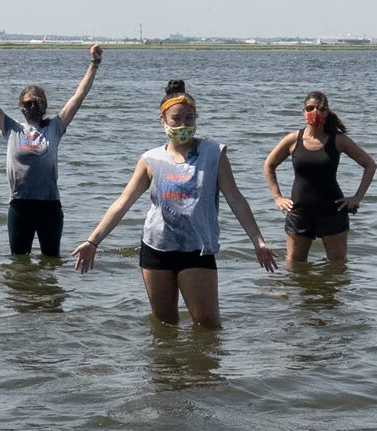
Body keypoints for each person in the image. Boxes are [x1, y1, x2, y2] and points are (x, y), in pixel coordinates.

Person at [70, 77, 277, 326]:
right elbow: (123, 203)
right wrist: (93, 241)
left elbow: (236, 199)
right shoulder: (151, 159)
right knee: (164, 326)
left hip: (196, 249)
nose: (183, 125)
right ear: (163, 120)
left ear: (196, 119)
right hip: (156, 248)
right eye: (176, 119)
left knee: (208, 326)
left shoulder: (213, 153)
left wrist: (258, 241)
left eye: (189, 118)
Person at [0, 41, 103, 257]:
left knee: (51, 261)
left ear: (44, 106)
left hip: (49, 206)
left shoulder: (55, 128)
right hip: (20, 206)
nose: (31, 107)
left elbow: (78, 96)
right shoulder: (11, 128)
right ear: (20, 106)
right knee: (19, 264)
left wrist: (94, 63)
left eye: (36, 103)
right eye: (27, 104)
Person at [262, 90, 377, 264]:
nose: (315, 112)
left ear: (327, 112)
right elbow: (269, 165)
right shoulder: (293, 139)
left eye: (320, 109)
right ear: (303, 111)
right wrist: (277, 197)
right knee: (295, 265)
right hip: (299, 210)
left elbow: (370, 164)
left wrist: (357, 198)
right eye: (310, 108)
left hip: (332, 210)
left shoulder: (338, 140)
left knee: (337, 266)